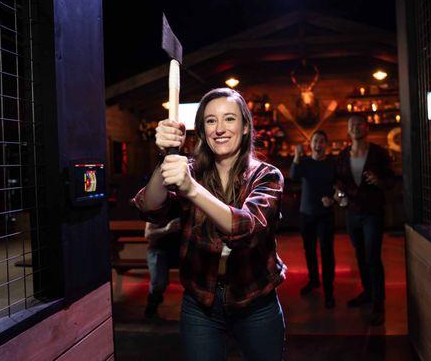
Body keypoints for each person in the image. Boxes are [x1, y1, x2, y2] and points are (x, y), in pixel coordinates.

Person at [132, 88, 286, 361]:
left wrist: (190, 189)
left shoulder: (267, 176)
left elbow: (246, 227)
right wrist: (165, 158)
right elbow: (150, 207)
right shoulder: (191, 170)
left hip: (255, 300)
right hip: (200, 302)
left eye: (229, 119)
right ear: (202, 130)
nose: (220, 129)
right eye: (211, 121)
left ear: (246, 126)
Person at [334, 115, 393, 325]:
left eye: (359, 124)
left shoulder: (378, 153)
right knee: (360, 256)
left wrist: (379, 181)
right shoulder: (342, 156)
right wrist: (338, 194)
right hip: (352, 213)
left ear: (366, 128)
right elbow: (338, 182)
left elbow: (391, 180)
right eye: (352, 125)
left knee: (373, 256)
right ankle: (368, 292)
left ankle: (378, 303)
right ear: (348, 131)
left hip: (372, 212)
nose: (356, 128)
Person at [289, 131, 336, 309]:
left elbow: (339, 185)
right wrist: (296, 156)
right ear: (311, 144)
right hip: (306, 213)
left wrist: (332, 198)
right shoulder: (306, 162)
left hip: (325, 214)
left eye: (322, 141)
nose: (318, 144)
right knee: (309, 249)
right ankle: (314, 281)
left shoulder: (332, 163)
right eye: (315, 141)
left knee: (326, 252)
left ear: (326, 144)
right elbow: (293, 176)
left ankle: (329, 291)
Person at [143, 219, 181, 318]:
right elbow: (148, 234)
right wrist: (167, 229)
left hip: (181, 250)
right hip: (158, 249)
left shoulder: (186, 207)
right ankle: (152, 306)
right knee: (159, 283)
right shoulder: (158, 207)